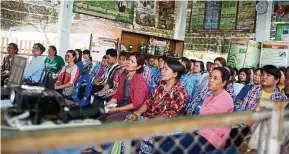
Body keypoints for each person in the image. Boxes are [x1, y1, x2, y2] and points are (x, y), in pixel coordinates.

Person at [144, 67, 234, 153]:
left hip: (211, 139)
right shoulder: (210, 97)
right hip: (199, 133)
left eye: (215, 78)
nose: (210, 80)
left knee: (165, 148)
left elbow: (205, 121)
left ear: (224, 82)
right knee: (161, 142)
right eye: (210, 77)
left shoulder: (224, 98)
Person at [104, 52, 149, 121]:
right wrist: (108, 104)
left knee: (109, 119)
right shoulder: (124, 76)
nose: (128, 62)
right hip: (123, 103)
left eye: (132, 62)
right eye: (128, 60)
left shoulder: (140, 82)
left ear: (138, 66)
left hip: (134, 110)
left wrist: (117, 109)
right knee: (101, 113)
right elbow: (118, 94)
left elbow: (136, 104)